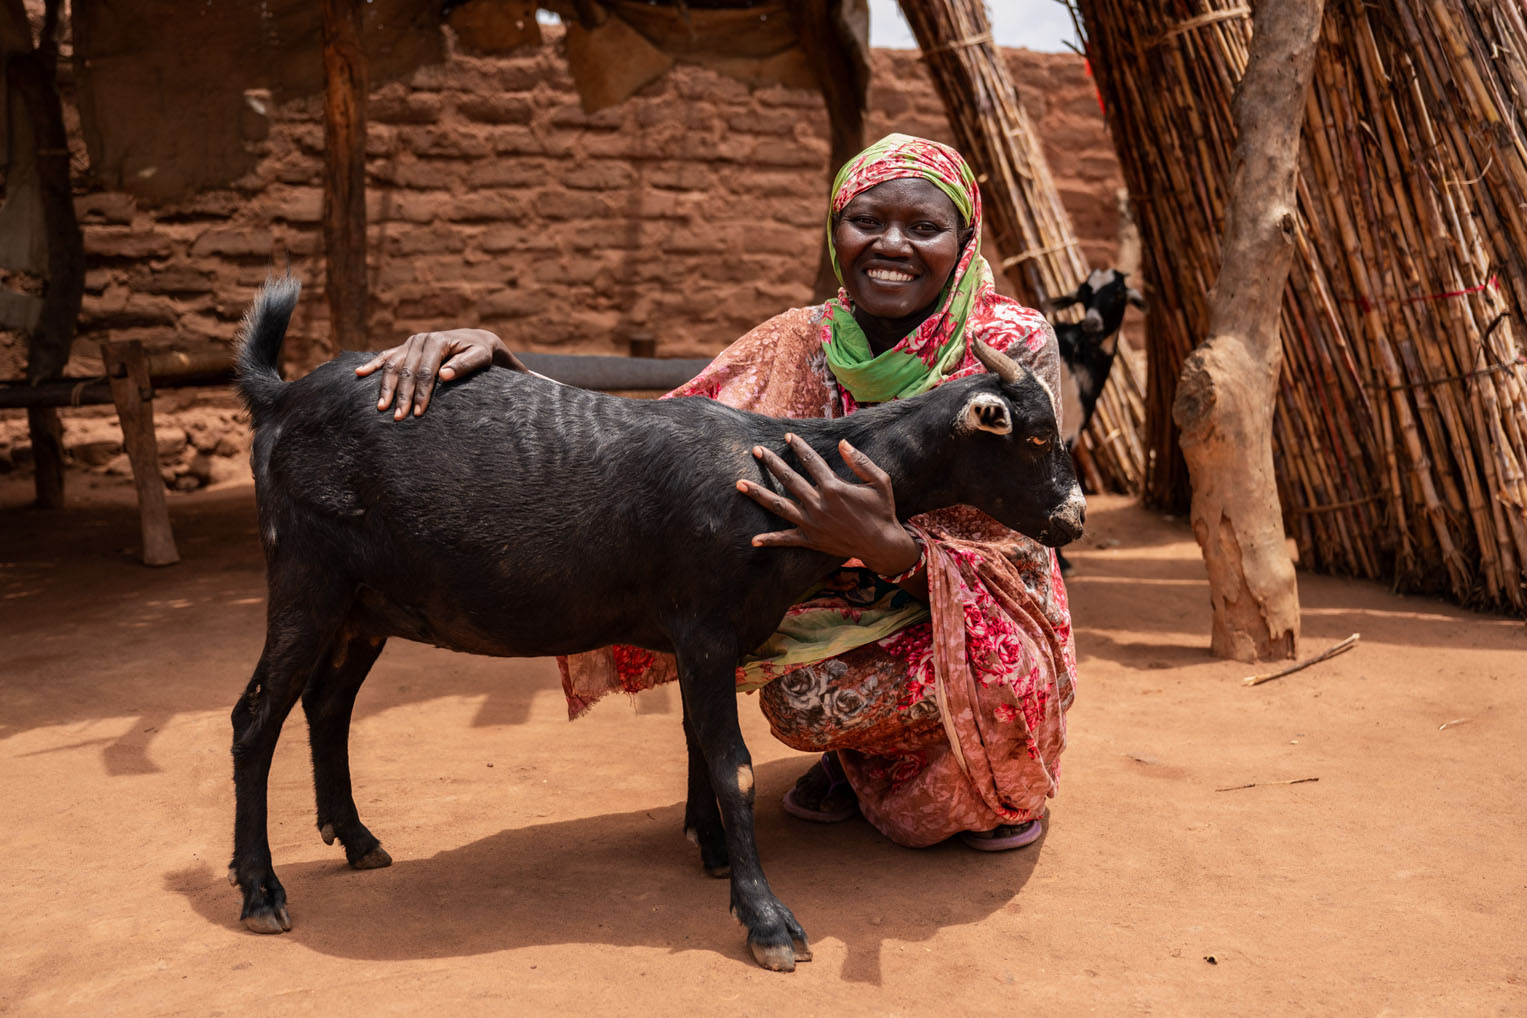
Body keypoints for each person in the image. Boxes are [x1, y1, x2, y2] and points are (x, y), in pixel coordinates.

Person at [357, 133, 1077, 852]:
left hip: (974, 606)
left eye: (923, 227)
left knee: (956, 707)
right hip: (832, 593)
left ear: (964, 238)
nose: (891, 244)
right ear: (835, 233)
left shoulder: (1009, 349)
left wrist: (889, 547)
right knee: (778, 672)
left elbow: (1022, 547)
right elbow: (659, 435)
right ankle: (861, 758)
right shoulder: (803, 339)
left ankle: (997, 780)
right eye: (866, 222)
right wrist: (507, 373)